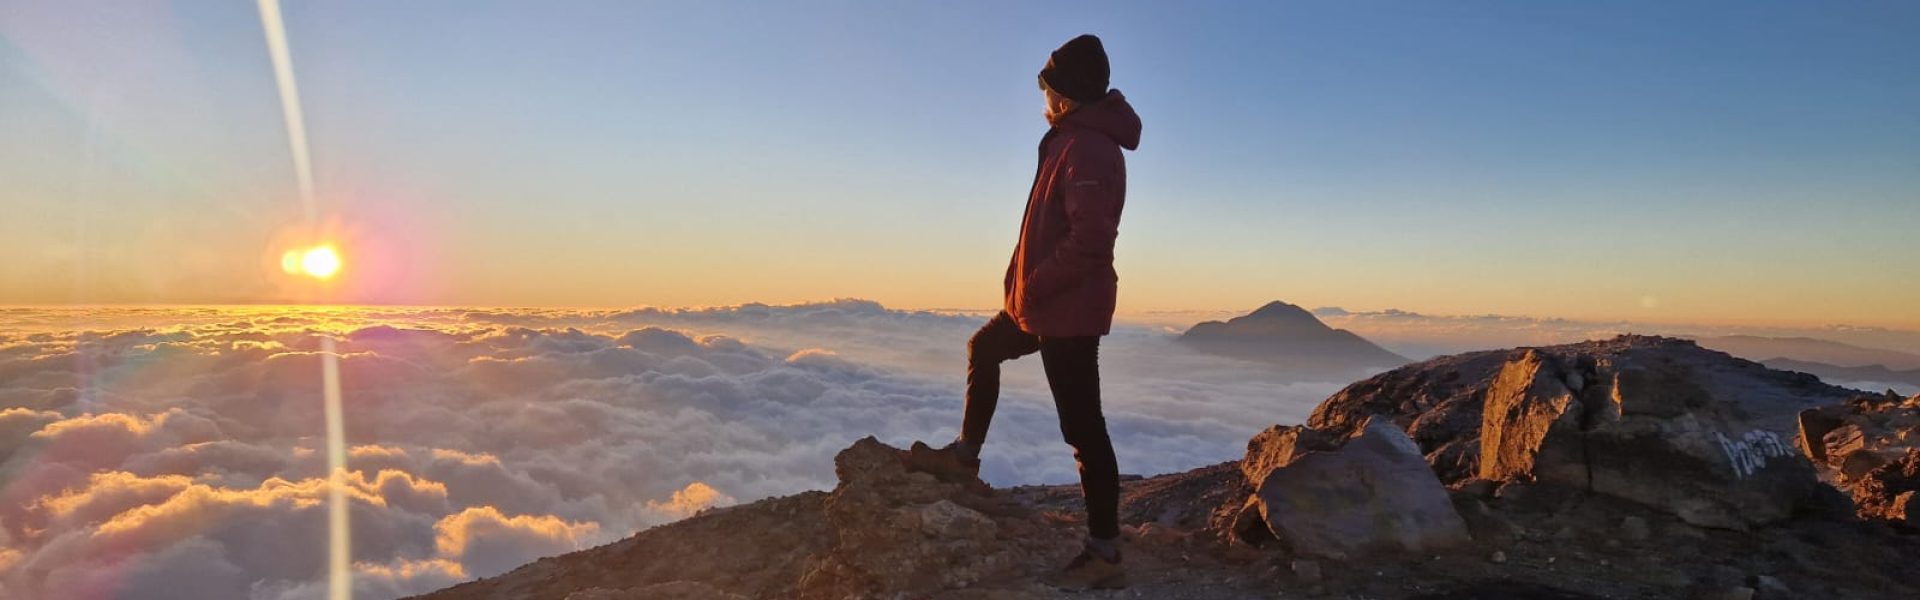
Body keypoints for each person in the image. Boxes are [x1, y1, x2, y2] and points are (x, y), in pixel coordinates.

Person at [906, 33, 1141, 591]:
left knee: (1082, 428)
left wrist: (1032, 289)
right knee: (983, 348)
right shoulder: (1071, 140)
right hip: (1042, 305)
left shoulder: (1087, 148)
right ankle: (964, 459)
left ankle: (1105, 552)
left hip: (1065, 310)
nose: (1041, 95)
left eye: (1046, 85)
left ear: (1065, 94)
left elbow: (1090, 242)